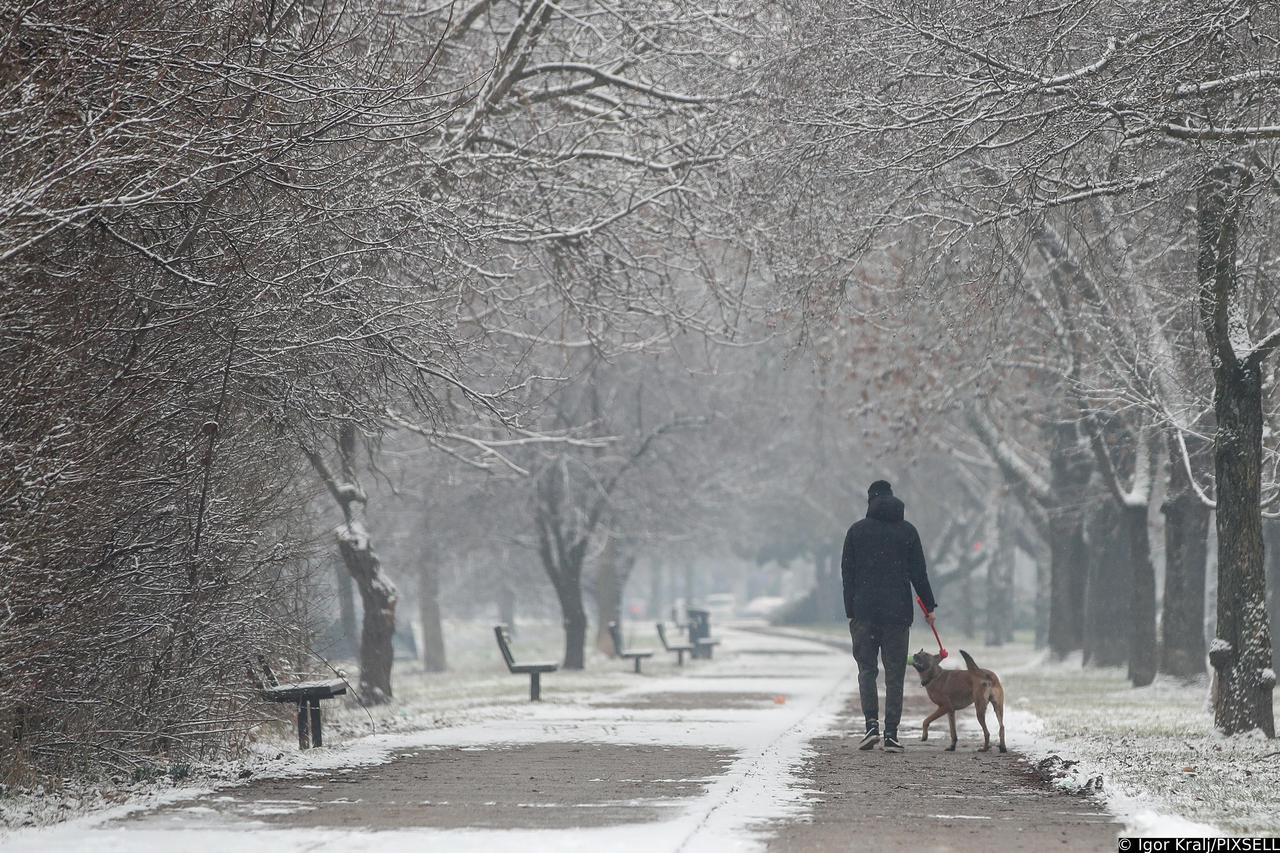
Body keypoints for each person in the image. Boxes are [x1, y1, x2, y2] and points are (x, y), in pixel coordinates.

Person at [841, 479, 937, 753]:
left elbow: (847, 575)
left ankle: (871, 725)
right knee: (894, 674)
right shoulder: (908, 532)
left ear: (870, 500)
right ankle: (891, 733)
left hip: (865, 613)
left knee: (867, 670)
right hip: (897, 614)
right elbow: (919, 574)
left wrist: (852, 609)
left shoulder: (856, 532)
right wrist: (929, 607)